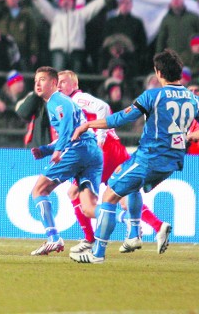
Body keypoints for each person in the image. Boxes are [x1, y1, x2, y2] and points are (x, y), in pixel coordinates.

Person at [71, 49, 199, 264]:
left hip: (149, 157)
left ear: (158, 72)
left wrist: (88, 124)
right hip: (172, 162)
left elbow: (120, 119)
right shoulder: (192, 99)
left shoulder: (152, 95)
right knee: (129, 187)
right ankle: (133, 235)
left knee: (109, 196)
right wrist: (191, 136)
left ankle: (97, 254)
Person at [57, 70, 167, 254]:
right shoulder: (66, 104)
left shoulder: (78, 98)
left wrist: (99, 138)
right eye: (57, 83)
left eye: (63, 82)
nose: (59, 86)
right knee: (124, 196)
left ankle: (92, 237)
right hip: (114, 148)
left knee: (75, 194)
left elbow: (103, 107)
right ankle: (158, 226)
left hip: (102, 151)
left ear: (74, 85)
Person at [29, 66, 103, 256]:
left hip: (77, 151)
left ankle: (53, 238)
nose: (38, 83)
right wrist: (46, 150)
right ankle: (126, 217)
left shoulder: (58, 101)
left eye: (43, 79)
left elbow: (68, 129)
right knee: (88, 207)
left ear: (54, 83)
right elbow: (68, 131)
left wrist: (59, 150)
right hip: (92, 151)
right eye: (36, 80)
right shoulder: (58, 102)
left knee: (39, 190)